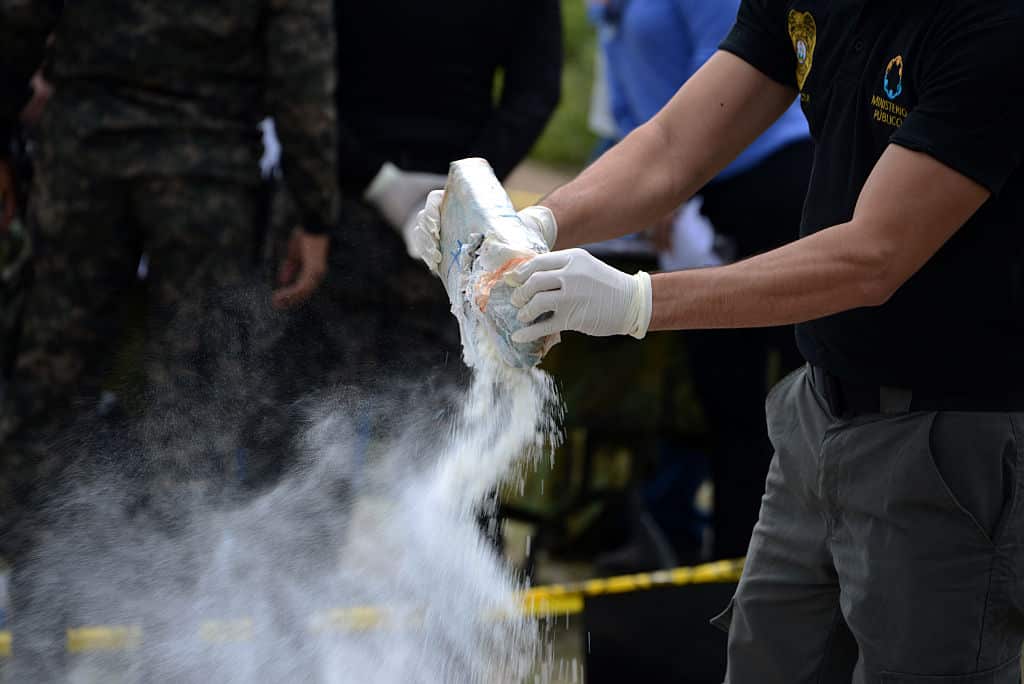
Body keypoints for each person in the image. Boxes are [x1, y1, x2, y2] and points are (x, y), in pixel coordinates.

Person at [414, 0, 1024, 679]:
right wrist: (538, 226)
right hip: (819, 405)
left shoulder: (992, 25)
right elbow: (674, 146)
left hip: (950, 435)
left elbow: (874, 257)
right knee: (765, 661)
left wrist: (636, 301)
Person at [0, 0, 338, 675]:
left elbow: (14, 23)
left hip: (83, 158)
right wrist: (314, 208)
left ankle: (38, 627)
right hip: (206, 170)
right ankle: (170, 636)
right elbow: (302, 64)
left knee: (50, 392)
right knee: (194, 407)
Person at [592, 0, 812, 561]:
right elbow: (629, 109)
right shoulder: (607, 10)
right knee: (717, 400)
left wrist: (676, 186)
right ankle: (722, 561)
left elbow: (733, 70)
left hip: (765, 181)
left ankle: (764, 561)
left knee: (787, 395)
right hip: (692, 194)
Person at [276, 0, 562, 390]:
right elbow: (534, 93)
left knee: (309, 407)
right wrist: (464, 185)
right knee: (437, 413)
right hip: (444, 230)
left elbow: (297, 83)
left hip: (340, 204)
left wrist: (373, 180)